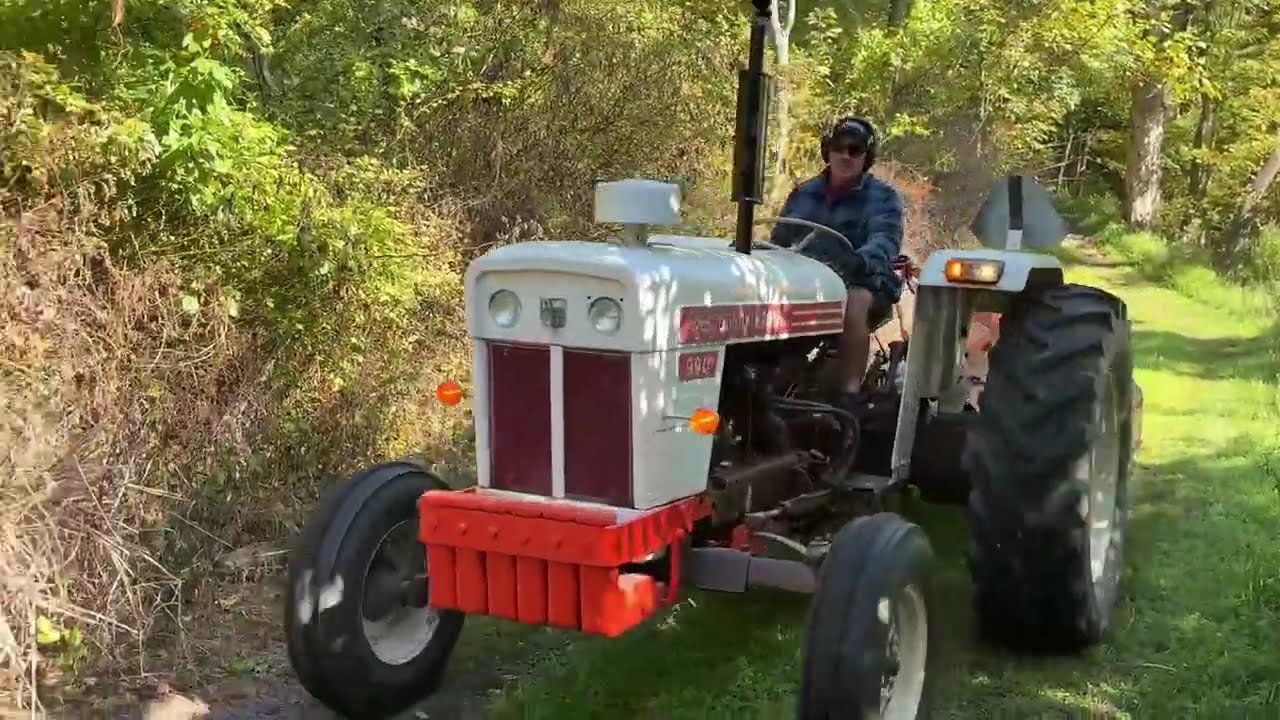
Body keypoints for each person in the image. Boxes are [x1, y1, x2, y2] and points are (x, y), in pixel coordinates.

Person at [769, 115, 905, 415]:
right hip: (808, 280)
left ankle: (850, 395)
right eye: (839, 147)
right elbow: (780, 236)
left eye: (855, 150)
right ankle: (768, 380)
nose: (846, 155)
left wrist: (860, 259)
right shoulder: (803, 193)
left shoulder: (883, 198)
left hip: (863, 279)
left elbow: (885, 238)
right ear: (827, 151)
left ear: (866, 158)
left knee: (852, 302)